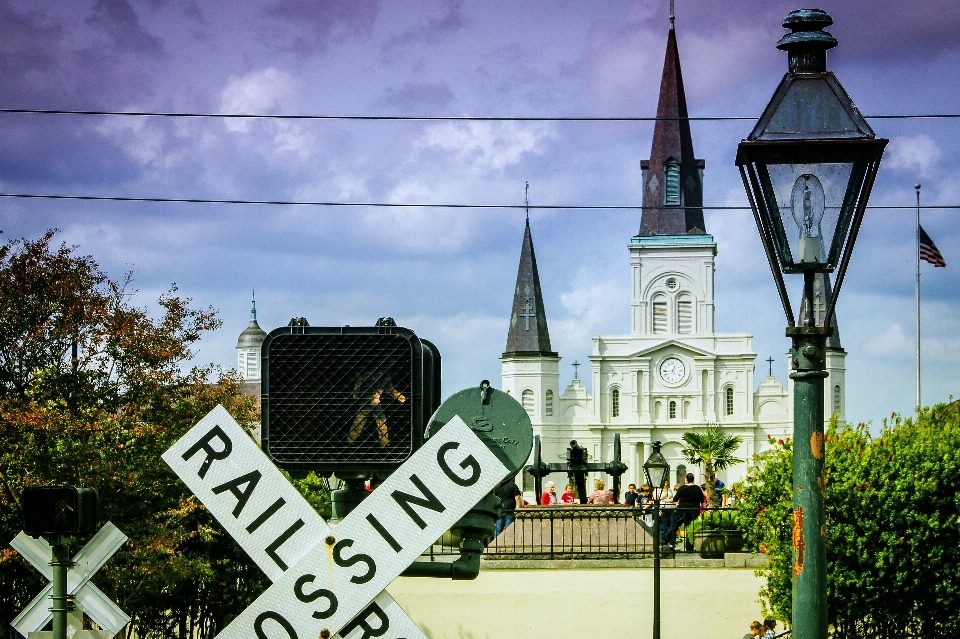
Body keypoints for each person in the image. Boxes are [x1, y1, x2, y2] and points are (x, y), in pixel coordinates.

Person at [663, 473, 705, 550]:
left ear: (686, 479)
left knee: (674, 526)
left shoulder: (682, 488)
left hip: (682, 510)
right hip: (693, 511)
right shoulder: (697, 488)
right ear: (693, 479)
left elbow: (675, 499)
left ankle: (665, 540)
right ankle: (689, 548)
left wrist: (666, 500)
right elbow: (702, 501)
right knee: (690, 529)